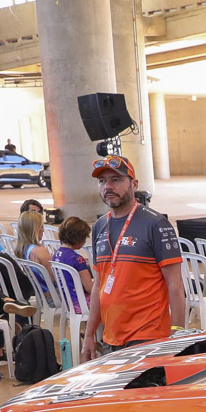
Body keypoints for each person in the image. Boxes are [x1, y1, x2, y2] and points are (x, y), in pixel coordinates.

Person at [82, 154, 181, 360]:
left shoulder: (155, 224)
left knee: (148, 393)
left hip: (148, 338)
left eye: (116, 180)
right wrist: (90, 334)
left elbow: (175, 285)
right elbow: (99, 284)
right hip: (111, 337)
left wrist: (177, 332)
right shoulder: (100, 226)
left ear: (133, 184)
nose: (108, 186)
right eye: (102, 181)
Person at [53, 216, 93, 302]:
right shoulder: (78, 259)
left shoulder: (56, 255)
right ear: (78, 238)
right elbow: (90, 288)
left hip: (66, 301)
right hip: (80, 303)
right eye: (84, 238)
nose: (85, 242)